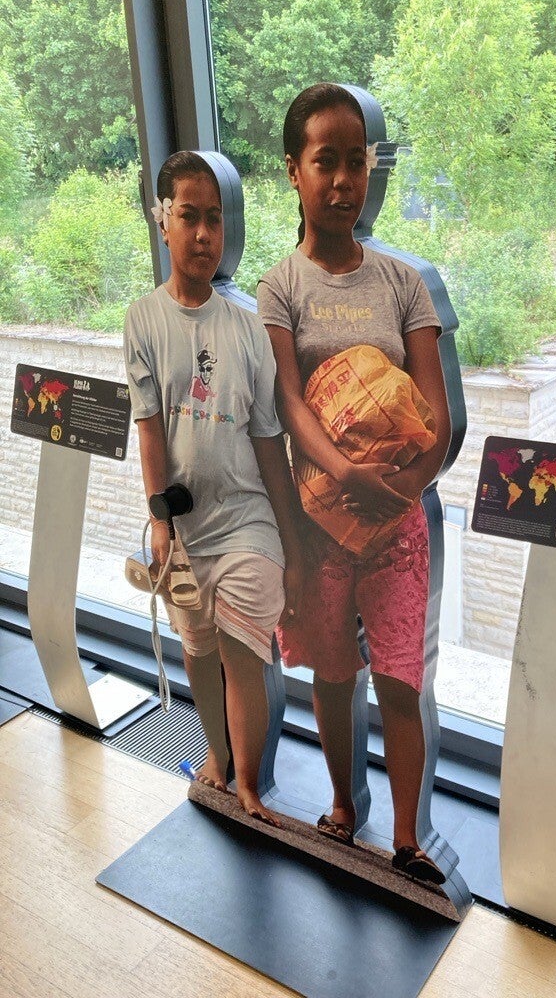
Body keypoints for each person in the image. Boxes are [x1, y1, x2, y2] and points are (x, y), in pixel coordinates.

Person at [258, 84, 451, 883]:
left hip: (398, 525)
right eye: (324, 162)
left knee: (401, 679)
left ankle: (406, 840)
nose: (343, 182)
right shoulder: (280, 289)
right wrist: (343, 474)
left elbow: (436, 412)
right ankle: (344, 806)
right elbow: (287, 402)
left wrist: (403, 487)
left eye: (356, 163)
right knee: (335, 678)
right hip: (321, 529)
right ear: (293, 171)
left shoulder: (404, 282)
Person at [124, 150, 302, 827]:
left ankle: (248, 785)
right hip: (184, 525)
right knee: (198, 650)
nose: (203, 235)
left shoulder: (249, 326)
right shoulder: (142, 320)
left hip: (247, 518)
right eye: (189, 217)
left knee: (242, 652)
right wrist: (160, 521)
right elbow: (150, 428)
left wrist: (290, 538)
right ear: (162, 221)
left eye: (215, 220)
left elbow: (268, 440)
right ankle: (218, 763)